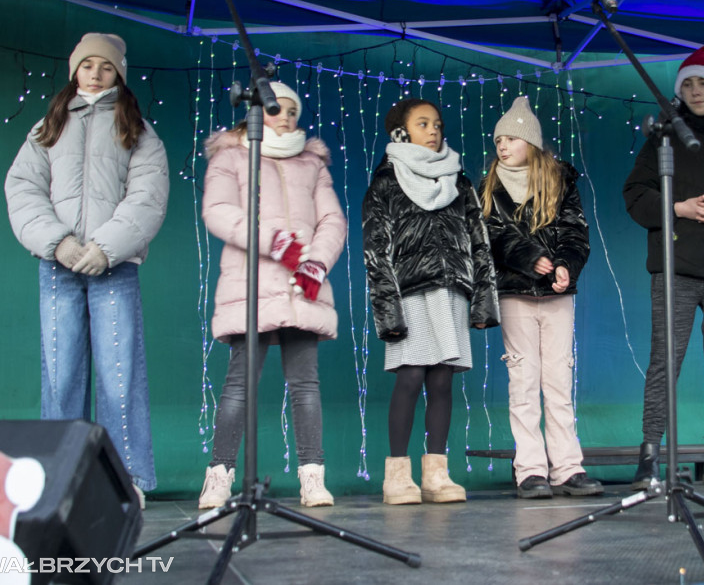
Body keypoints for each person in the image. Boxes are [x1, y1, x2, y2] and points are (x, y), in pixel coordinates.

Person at [4, 33, 169, 507]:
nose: (96, 74)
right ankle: (60, 478)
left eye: (106, 67)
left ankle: (125, 477)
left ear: (120, 74)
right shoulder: (48, 127)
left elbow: (148, 196)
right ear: (74, 69)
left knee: (119, 375)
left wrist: (106, 247)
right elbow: (23, 188)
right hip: (58, 267)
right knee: (61, 374)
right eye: (88, 65)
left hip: (113, 268)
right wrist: (57, 243)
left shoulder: (137, 129)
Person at [197, 81, 347, 509]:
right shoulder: (231, 156)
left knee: (305, 386)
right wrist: (274, 242)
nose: (287, 117)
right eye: (278, 109)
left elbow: (333, 220)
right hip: (252, 286)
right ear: (257, 111)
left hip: (302, 289)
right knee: (239, 386)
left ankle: (312, 477)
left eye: (293, 111)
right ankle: (219, 477)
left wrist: (316, 263)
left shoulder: (312, 164)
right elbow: (218, 212)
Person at [362, 98, 499, 504]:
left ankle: (437, 475)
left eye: (437, 123)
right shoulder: (386, 181)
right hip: (409, 295)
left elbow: (479, 242)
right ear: (401, 133)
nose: (434, 130)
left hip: (451, 292)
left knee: (442, 380)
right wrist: (388, 311)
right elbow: (375, 249)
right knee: (410, 377)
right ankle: (397, 476)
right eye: (423, 124)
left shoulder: (460, 181)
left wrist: (483, 301)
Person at [623, 44, 704, 491]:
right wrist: (679, 208)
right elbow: (635, 195)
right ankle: (650, 453)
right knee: (664, 363)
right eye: (688, 84)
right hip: (675, 269)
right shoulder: (664, 137)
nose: (696, 91)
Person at [480, 96, 602, 499]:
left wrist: (566, 264)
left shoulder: (560, 181)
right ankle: (530, 469)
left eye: (511, 138)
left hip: (556, 296)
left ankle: (567, 467)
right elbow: (491, 236)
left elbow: (574, 231)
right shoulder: (489, 188)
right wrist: (529, 257)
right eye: (499, 140)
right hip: (515, 293)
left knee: (558, 380)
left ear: (530, 142)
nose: (503, 146)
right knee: (524, 380)